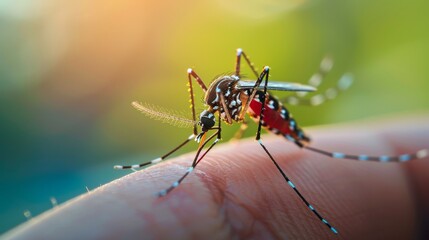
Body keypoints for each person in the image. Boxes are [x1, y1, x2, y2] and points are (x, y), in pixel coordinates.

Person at [4, 114, 429, 239]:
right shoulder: (216, 106)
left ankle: (277, 146)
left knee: (260, 139)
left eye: (205, 123)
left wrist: (259, 134)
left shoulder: (232, 100)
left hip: (266, 111)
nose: (206, 127)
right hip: (246, 103)